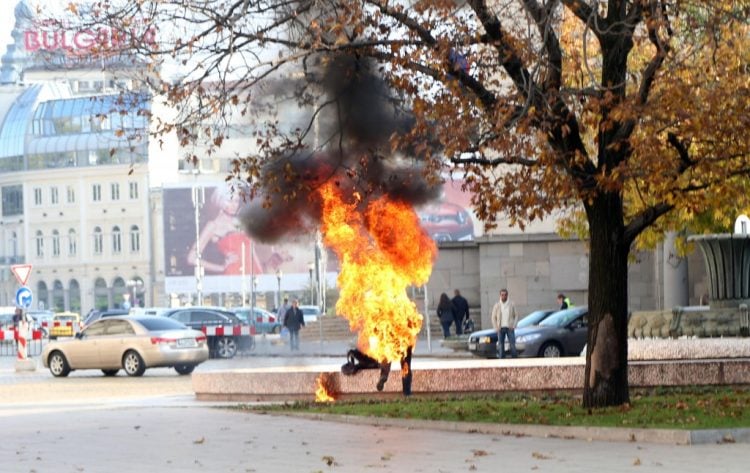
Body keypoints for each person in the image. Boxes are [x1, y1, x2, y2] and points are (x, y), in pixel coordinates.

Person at [491, 288, 519, 358]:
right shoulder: (497, 305)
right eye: (502, 295)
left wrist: (514, 325)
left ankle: (515, 361)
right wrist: (496, 327)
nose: (504, 296)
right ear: (500, 296)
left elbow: (516, 315)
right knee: (501, 345)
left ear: (507, 295)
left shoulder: (511, 304)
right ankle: (502, 361)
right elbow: (493, 317)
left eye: (505, 295)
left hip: (510, 328)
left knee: (512, 345)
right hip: (500, 328)